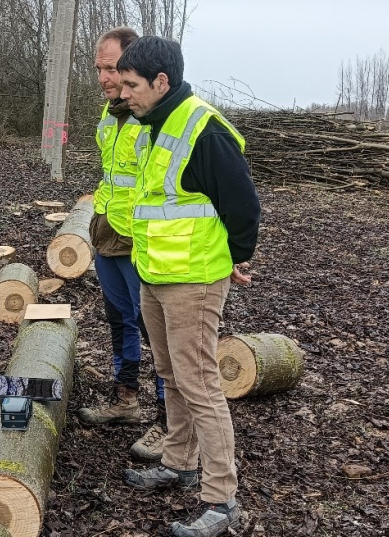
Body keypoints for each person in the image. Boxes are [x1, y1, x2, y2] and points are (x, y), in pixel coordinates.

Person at [116, 36, 261, 537]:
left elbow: (244, 207)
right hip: (156, 274)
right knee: (170, 372)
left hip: (194, 280)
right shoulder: (151, 126)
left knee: (199, 381)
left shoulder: (205, 129)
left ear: (162, 82)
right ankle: (178, 463)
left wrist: (234, 259)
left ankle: (221, 500)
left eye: (132, 85)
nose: (122, 93)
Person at [77, 27, 167, 462]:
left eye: (111, 68)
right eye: (99, 68)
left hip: (144, 240)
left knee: (157, 332)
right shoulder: (109, 113)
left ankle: (170, 422)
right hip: (108, 231)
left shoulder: (153, 117)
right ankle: (125, 398)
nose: (104, 77)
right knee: (119, 320)